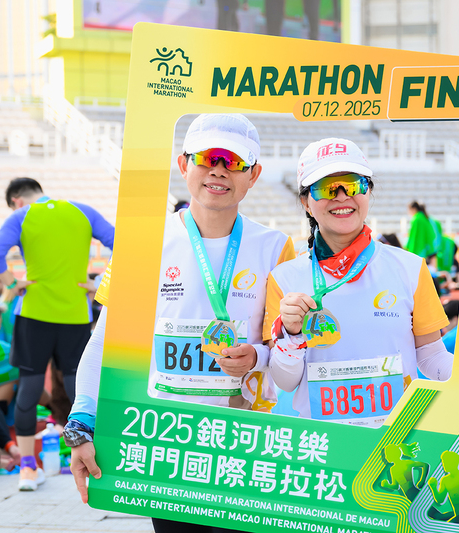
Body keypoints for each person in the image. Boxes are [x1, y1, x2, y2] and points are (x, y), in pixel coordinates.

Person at [66, 114, 295, 533]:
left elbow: (284, 349)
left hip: (245, 439)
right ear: (183, 164)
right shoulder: (142, 242)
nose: (219, 171)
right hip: (169, 444)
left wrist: (256, 357)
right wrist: (82, 420)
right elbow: (105, 342)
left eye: (233, 162)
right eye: (207, 158)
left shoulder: (276, 247)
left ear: (254, 175)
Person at [264, 138, 459, 428]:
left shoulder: (410, 268)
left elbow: (431, 355)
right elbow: (285, 381)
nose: (342, 196)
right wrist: (292, 335)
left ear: (368, 192)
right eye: (326, 188)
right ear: (306, 202)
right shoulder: (284, 278)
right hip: (323, 441)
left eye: (354, 184)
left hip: (398, 436)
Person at [0, 177, 115, 491]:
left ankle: (28, 468)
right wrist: (100, 284)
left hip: (34, 315)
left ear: (17, 200)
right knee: (79, 389)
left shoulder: (22, 216)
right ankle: (92, 461)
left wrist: (12, 283)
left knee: (29, 391)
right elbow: (124, 244)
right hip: (75, 314)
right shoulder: (83, 212)